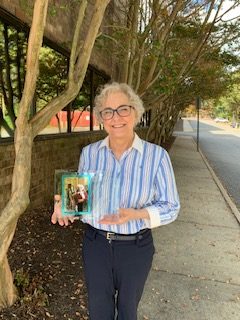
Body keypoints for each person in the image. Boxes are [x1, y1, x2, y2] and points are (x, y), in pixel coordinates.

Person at [51, 82, 180, 320]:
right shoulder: (89, 153)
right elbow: (81, 201)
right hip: (96, 244)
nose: (116, 117)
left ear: (136, 113)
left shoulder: (157, 157)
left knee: (128, 311)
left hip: (136, 248)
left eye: (123, 109)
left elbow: (171, 207)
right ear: (101, 118)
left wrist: (137, 214)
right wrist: (66, 209)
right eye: (107, 112)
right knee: (99, 311)